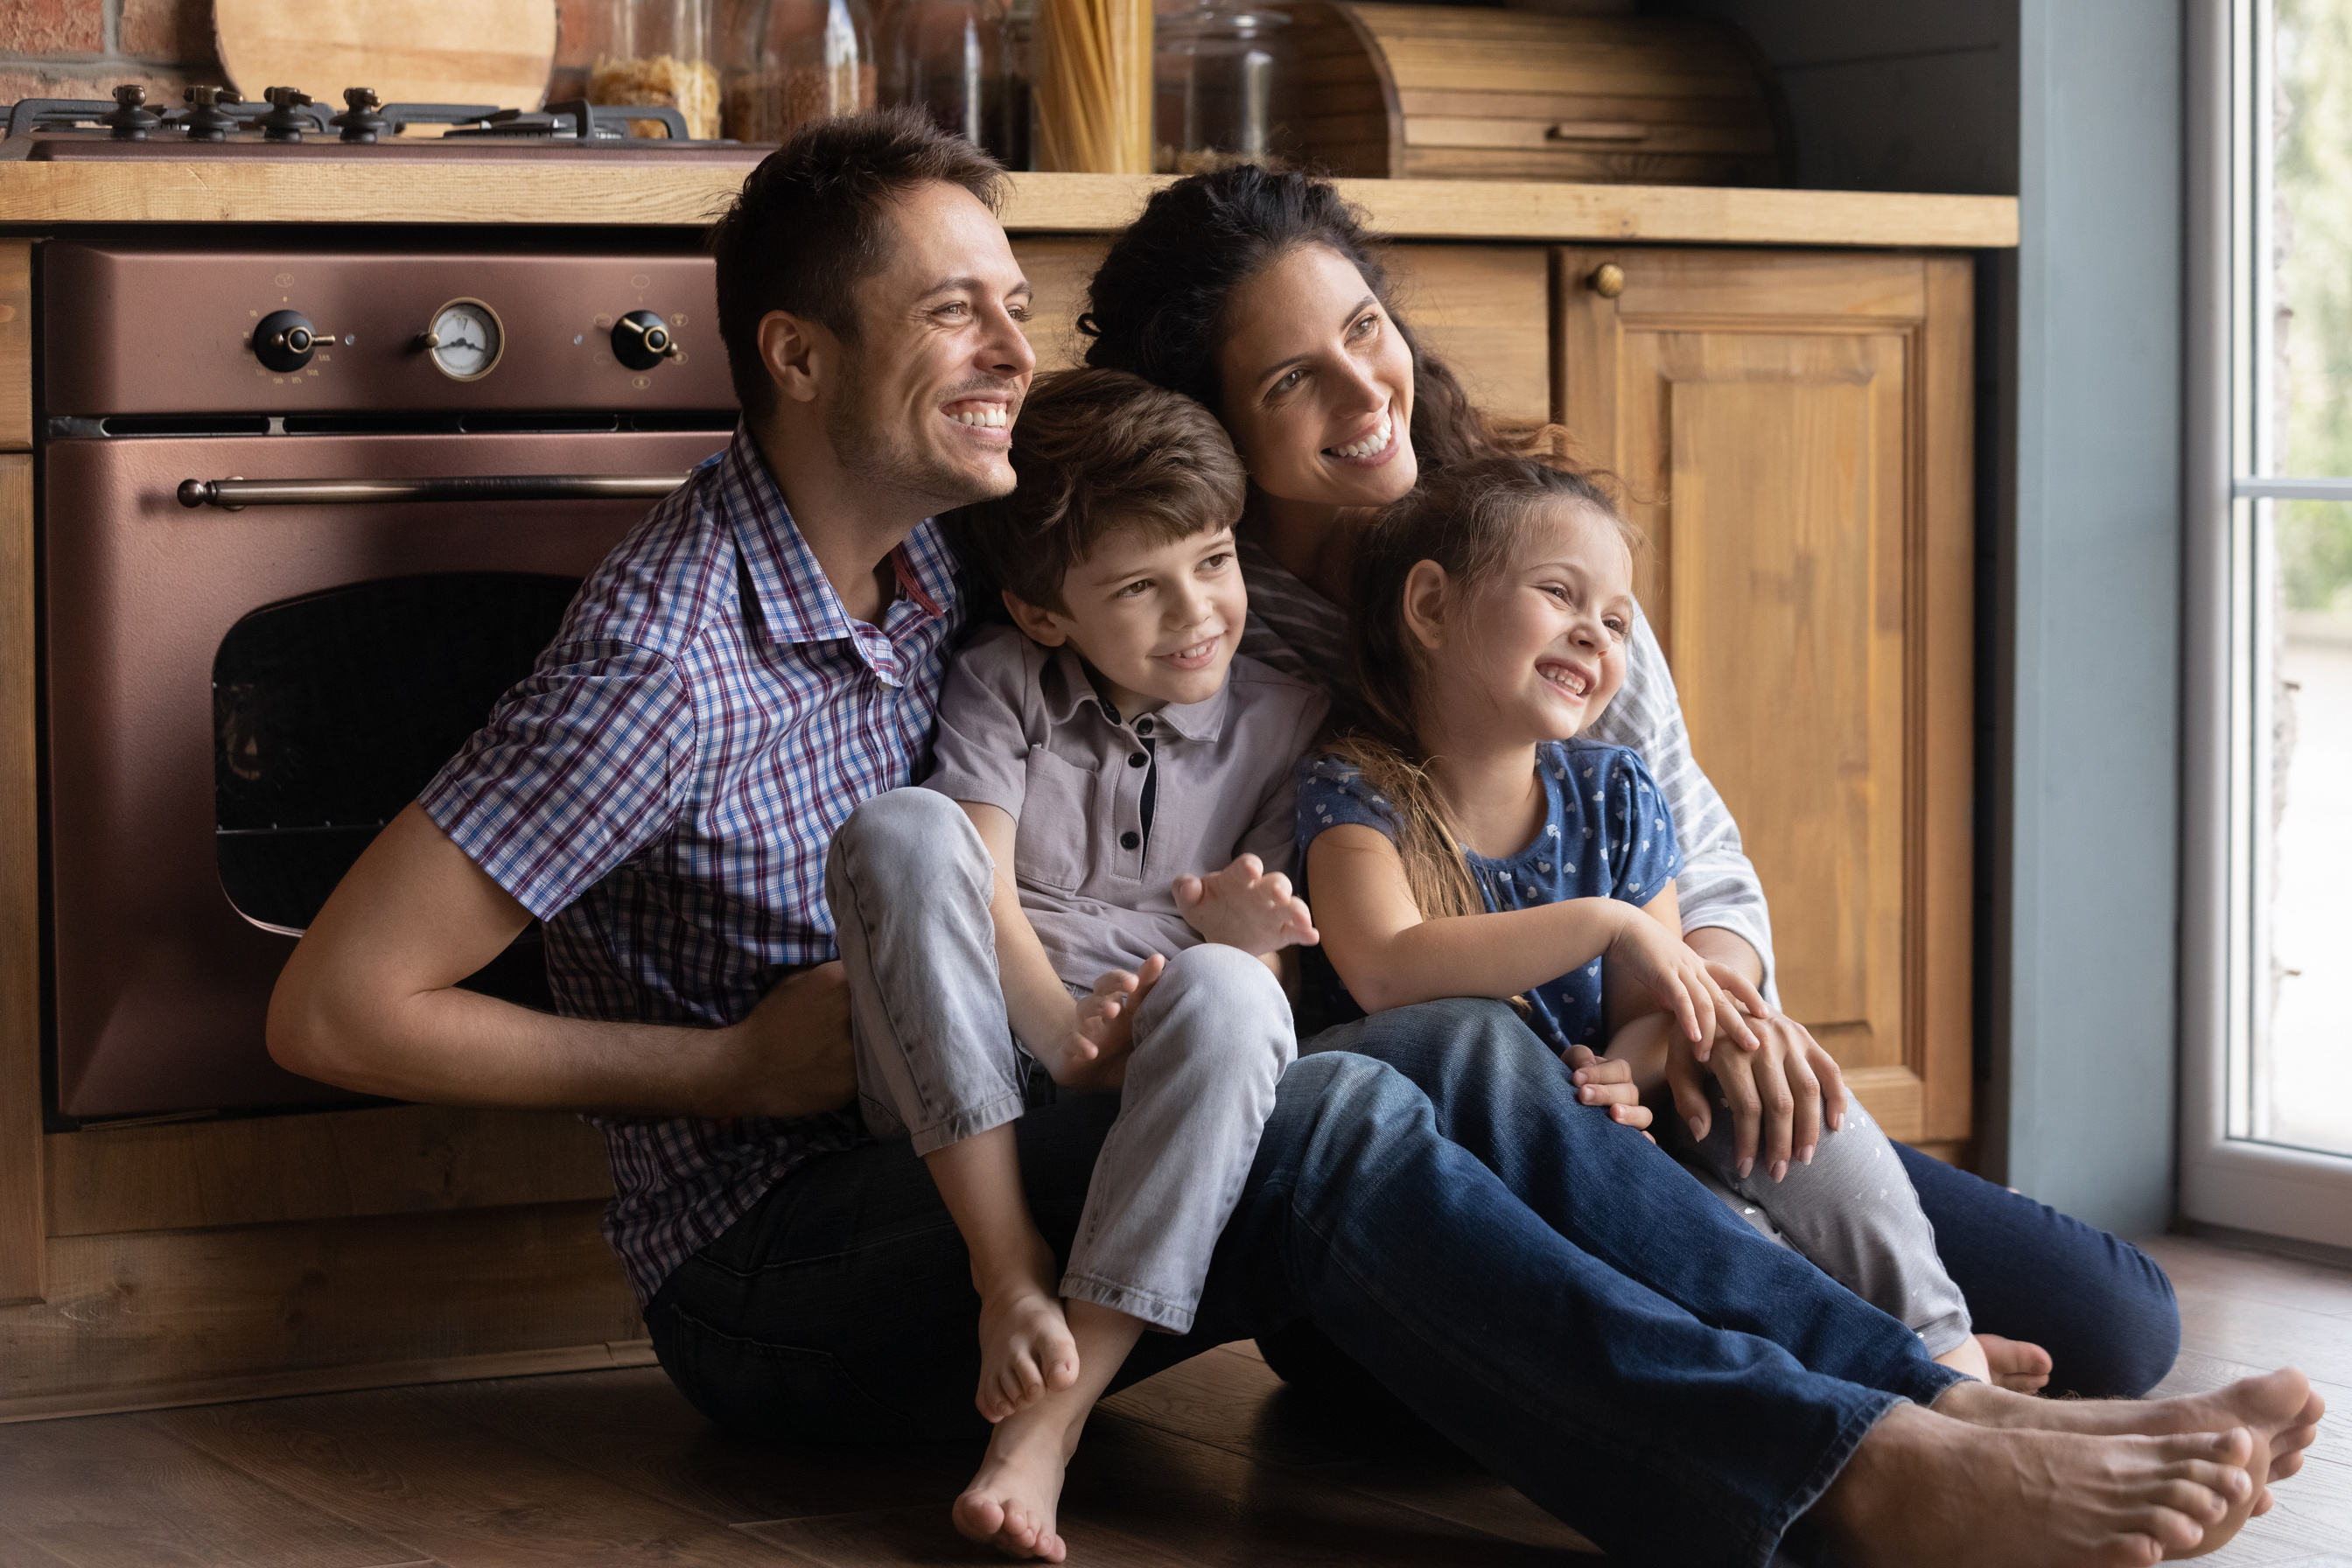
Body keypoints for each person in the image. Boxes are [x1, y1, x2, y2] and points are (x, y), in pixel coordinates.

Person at [264, 112, 2320, 1568]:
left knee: (1441, 1058)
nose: (1008, 347)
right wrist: (714, 1067)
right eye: (958, 313)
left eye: (1013, 305)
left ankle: (1926, 1400)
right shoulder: (669, 650)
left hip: (1036, 1117)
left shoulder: (960, 578)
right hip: (786, 1263)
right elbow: (338, 1005)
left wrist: (1675, 985)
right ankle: (1851, 1476)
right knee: (1336, 1111)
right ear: (798, 359)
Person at [1077, 164, 2163, 1401]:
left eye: (1364, 329)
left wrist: (1710, 1017)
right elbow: (1331, 967)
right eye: (1289, 378)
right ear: (1217, 421)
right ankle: (1899, 1390)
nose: (1361, 388)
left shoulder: (1540, 557)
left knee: (2121, 1326)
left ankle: (1907, 1353)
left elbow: (1693, 845)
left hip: (1647, 1052)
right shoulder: (1204, 641)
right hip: (1461, 1134)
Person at [1298, 452, 2003, 1380]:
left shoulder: (1615, 791)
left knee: (1745, 1052)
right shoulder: (1353, 793)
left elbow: (1660, 1006)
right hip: (1470, 1194)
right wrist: (1606, 924)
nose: (1594, 634)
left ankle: (1946, 1356)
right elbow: (1386, 963)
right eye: (1560, 593)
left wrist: (1621, 1067)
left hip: (1616, 1126)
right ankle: (1882, 1384)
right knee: (1720, 1237)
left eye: (1616, 620)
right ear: (1430, 607)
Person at [829, 367, 1326, 1551]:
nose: (1197, 612)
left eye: (1214, 561)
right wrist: (1058, 1028)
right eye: (1140, 590)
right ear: (1047, 612)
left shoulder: (1287, 720)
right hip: (967, 1056)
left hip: (1162, 1072)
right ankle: (1006, 1270)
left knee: (1234, 993)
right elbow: (977, 880)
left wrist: (1256, 943)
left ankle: (1051, 1419)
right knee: (905, 828)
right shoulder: (1008, 684)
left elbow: (1264, 979)